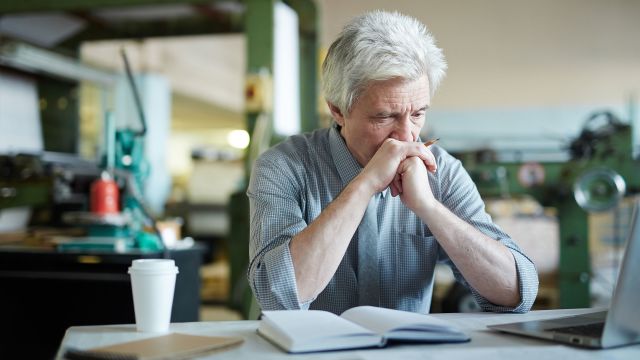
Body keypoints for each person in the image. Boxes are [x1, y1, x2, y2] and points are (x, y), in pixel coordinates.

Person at [247, 10, 538, 315]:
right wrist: (364, 185)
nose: (406, 135)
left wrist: (430, 209)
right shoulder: (282, 167)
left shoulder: (443, 172)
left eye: (417, 114)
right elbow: (276, 297)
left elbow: (518, 293)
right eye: (384, 116)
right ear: (337, 110)